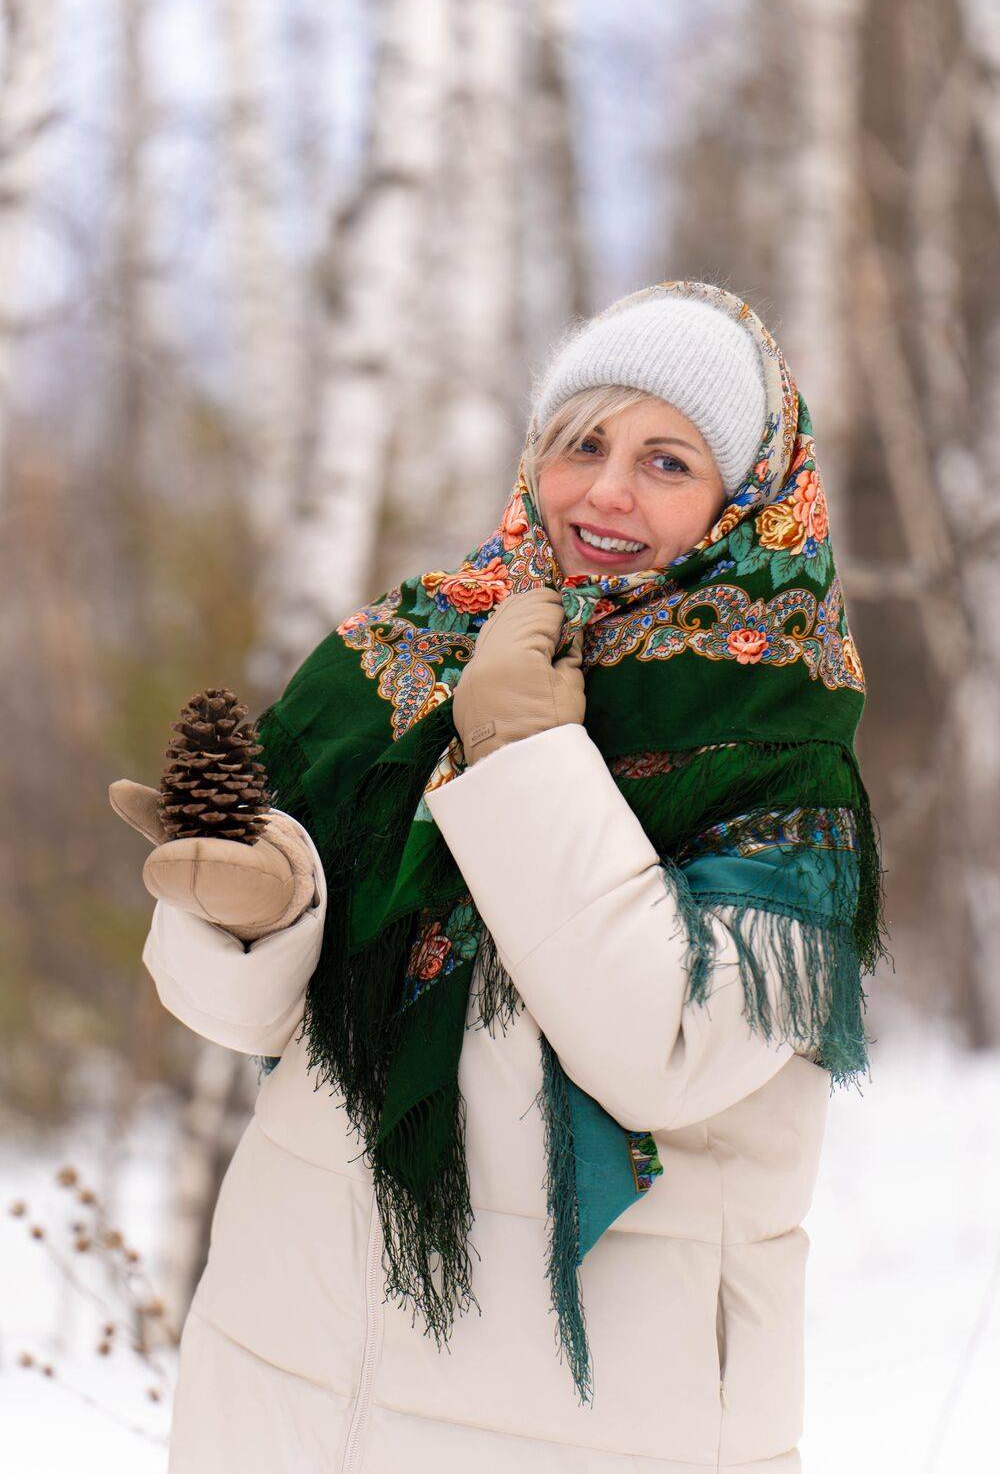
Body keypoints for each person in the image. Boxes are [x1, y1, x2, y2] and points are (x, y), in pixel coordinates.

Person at [110, 279, 884, 1474]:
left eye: (667, 461)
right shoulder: (410, 658)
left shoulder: (783, 766)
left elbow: (666, 1051)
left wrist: (521, 758)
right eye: (582, 443)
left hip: (588, 1425)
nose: (606, 491)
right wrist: (260, 916)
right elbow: (242, 1022)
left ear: (750, 500)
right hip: (284, 1384)